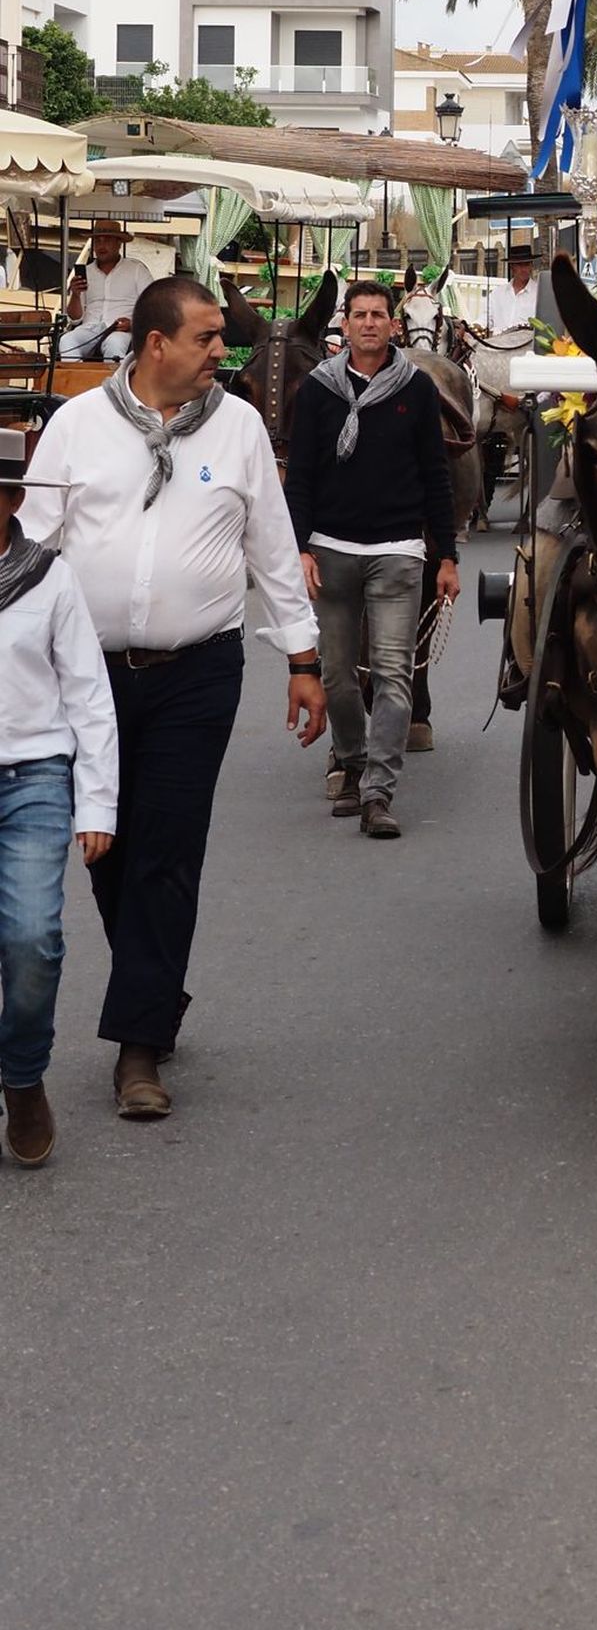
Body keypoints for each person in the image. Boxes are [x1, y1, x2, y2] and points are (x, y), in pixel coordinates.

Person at [24, 275, 325, 1122]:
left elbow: (272, 547)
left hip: (200, 669)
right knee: (109, 845)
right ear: (156, 343)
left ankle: (139, 1047)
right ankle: (152, 989)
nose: (220, 355)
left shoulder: (237, 431)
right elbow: (33, 550)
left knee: (167, 846)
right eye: (206, 339)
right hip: (86, 677)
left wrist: (302, 658)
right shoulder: (76, 428)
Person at [283, 279, 460, 841]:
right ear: (345, 325)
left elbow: (437, 476)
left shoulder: (417, 390)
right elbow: (302, 476)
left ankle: (379, 791)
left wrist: (447, 555)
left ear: (393, 325)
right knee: (337, 675)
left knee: (392, 674)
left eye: (378, 315)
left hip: (397, 551)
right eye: (358, 315)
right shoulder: (316, 392)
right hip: (331, 548)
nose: (368, 324)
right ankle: (352, 761)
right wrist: (299, 546)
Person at [0, 429, 118, 1167]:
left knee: (33, 940)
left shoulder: (49, 578)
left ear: (10, 501)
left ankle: (23, 1077)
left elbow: (89, 694)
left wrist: (95, 804)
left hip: (34, 778)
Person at [59, 221, 152, 361]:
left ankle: (111, 383)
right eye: (97, 240)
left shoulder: (136, 270)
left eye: (107, 240)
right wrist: (76, 295)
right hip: (90, 328)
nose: (101, 245)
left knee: (115, 344)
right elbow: (75, 318)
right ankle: (78, 381)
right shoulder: (87, 271)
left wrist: (133, 324)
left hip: (119, 329)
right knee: (66, 341)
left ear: (119, 243)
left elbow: (152, 307)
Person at [486, 245, 539, 331]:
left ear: (531, 266)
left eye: (526, 265)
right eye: (519, 265)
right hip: (498, 342)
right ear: (512, 267)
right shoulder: (497, 293)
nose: (524, 269)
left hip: (525, 342)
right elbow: (485, 318)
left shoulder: (539, 294)